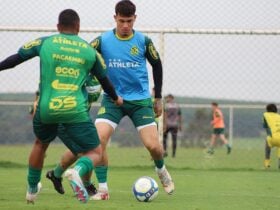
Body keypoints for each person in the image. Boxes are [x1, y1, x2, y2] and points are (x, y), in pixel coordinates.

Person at [46, 0, 175, 200]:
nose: (125, 25)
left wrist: (158, 97)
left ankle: (161, 171)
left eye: (129, 21)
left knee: (154, 147)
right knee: (97, 142)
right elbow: (83, 58)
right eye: (121, 21)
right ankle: (103, 190)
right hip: (113, 100)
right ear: (115, 18)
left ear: (135, 19)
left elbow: (157, 65)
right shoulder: (102, 41)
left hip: (140, 101)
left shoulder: (143, 41)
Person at [0, 9, 122, 204]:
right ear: (78, 27)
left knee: (40, 144)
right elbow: (105, 81)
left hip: (46, 108)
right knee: (96, 152)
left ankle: (31, 190)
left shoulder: (44, 42)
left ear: (58, 27)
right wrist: (116, 98)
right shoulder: (89, 51)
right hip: (74, 111)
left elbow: (15, 60)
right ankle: (77, 171)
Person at [263, 103, 280, 169]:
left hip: (272, 137)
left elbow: (265, 126)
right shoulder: (279, 116)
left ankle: (267, 164)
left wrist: (269, 134)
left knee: (267, 146)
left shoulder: (265, 115)